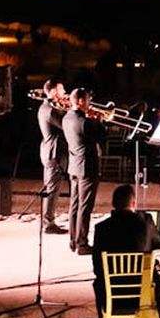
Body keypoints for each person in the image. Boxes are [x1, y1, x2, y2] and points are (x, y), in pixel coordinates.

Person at [92, 184, 160, 318]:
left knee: (98, 283)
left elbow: (97, 266)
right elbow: (157, 243)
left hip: (112, 288)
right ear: (134, 203)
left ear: (113, 204)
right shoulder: (146, 222)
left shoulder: (101, 228)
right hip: (142, 286)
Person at [61, 87, 103, 255]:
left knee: (75, 205)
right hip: (87, 167)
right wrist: (99, 121)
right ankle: (82, 243)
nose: (90, 103)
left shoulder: (66, 118)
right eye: (87, 100)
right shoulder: (85, 122)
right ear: (79, 101)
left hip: (74, 165)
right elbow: (101, 139)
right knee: (85, 207)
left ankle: (73, 240)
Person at [35, 78, 69, 235]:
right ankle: (48, 223)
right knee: (52, 190)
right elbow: (67, 126)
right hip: (54, 152)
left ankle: (48, 220)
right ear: (54, 92)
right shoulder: (50, 110)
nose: (64, 93)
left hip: (51, 150)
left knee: (53, 188)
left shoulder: (47, 107)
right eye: (62, 90)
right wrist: (73, 108)